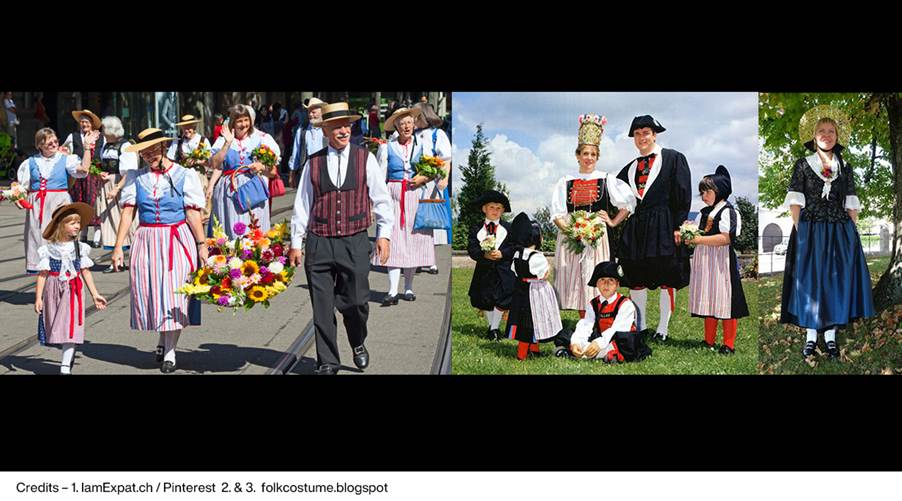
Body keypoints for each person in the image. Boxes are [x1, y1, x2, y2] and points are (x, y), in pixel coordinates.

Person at [288, 102, 394, 375]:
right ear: (325, 131)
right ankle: (327, 361)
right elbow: (302, 205)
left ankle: (357, 341)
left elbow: (381, 200)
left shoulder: (365, 158)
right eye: (336, 126)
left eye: (347, 125)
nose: (343, 130)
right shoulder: (313, 163)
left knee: (357, 301)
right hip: (319, 241)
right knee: (322, 308)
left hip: (354, 240)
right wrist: (295, 243)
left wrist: (384, 235)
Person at [781, 105, 875, 358]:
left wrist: (851, 235)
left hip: (839, 232)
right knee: (810, 282)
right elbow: (795, 202)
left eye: (831, 130)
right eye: (821, 131)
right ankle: (812, 336)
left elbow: (851, 202)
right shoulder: (803, 165)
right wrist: (802, 232)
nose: (826, 134)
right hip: (810, 231)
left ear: (837, 135)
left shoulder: (846, 167)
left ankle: (831, 336)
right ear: (813, 136)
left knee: (835, 280)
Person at [111, 128, 208, 373]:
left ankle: (170, 353)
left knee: (174, 293)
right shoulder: (136, 177)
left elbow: (193, 213)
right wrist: (118, 247)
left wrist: (202, 245)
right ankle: (163, 341)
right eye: (144, 152)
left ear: (163, 148)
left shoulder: (184, 175)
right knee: (154, 293)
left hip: (176, 239)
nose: (149, 155)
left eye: (153, 150)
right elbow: (127, 212)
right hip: (146, 239)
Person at [616, 115, 692, 342]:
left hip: (664, 225)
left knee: (666, 276)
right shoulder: (627, 169)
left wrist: (679, 226)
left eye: (645, 133)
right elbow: (619, 202)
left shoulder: (674, 159)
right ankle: (641, 325)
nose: (641, 138)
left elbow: (683, 194)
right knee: (636, 276)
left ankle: (663, 329)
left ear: (654, 134)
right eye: (637, 134)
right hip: (637, 227)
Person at [552, 114, 633, 317]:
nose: (588, 158)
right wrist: (572, 231)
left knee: (595, 275)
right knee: (574, 279)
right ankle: (584, 321)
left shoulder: (606, 179)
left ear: (597, 157)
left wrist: (613, 222)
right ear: (577, 155)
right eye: (585, 153)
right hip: (571, 236)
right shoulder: (565, 180)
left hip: (597, 235)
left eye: (593, 154)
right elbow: (557, 213)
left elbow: (627, 203)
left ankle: (600, 318)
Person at [34, 203, 108, 374]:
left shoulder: (79, 248)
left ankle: (65, 365)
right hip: (53, 289)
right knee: (55, 325)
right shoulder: (48, 249)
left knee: (70, 326)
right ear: (62, 225)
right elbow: (43, 274)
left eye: (78, 223)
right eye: (72, 223)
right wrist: (39, 298)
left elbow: (86, 272)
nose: (77, 226)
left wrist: (95, 294)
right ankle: (69, 353)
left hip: (73, 290)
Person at [374, 107, 435, 306]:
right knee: (394, 239)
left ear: (414, 124)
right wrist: (377, 203)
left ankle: (408, 287)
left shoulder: (423, 146)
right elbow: (379, 178)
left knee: (413, 241)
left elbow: (435, 170)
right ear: (397, 127)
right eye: (402, 124)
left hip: (415, 196)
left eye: (409, 122)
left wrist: (422, 178)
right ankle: (392, 290)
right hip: (393, 195)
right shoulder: (386, 148)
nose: (406, 126)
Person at [685, 165, 749, 354]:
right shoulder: (704, 213)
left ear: (719, 191)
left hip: (721, 262)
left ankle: (728, 344)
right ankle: (708, 340)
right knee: (709, 297)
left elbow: (726, 238)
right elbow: (696, 232)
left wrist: (699, 239)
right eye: (702, 192)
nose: (703, 196)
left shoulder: (728, 212)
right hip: (705, 261)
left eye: (707, 191)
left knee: (724, 299)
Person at [16, 128, 92, 273]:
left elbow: (83, 170)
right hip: (38, 206)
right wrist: (18, 198)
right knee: (38, 239)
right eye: (48, 142)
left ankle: (65, 275)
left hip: (59, 204)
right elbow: (22, 188)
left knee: (62, 238)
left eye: (55, 141)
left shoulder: (65, 159)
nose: (53, 144)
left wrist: (87, 148)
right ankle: (43, 283)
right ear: (39, 145)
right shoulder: (30, 162)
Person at [207, 104, 281, 239]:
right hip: (229, 191)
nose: (243, 124)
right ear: (233, 123)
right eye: (239, 121)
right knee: (231, 230)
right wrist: (227, 143)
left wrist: (262, 167)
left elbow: (273, 172)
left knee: (255, 229)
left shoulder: (261, 139)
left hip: (253, 190)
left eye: (246, 120)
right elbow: (214, 163)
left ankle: (257, 256)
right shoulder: (223, 140)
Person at [504, 212, 563, 360]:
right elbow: (543, 274)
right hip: (536, 292)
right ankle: (522, 354)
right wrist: (548, 268)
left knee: (525, 322)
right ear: (537, 237)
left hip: (521, 291)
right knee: (534, 321)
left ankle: (533, 350)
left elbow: (514, 270)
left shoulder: (517, 255)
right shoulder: (537, 257)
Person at [560, 261, 639, 362]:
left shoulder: (625, 304)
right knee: (567, 334)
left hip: (618, 337)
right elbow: (587, 325)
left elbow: (617, 328)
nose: (606, 284)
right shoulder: (593, 304)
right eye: (602, 280)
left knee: (625, 341)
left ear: (618, 284)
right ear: (597, 284)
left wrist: (599, 343)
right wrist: (577, 342)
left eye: (611, 280)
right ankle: (580, 350)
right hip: (600, 336)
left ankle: (606, 353)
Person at [467, 190, 516, 341]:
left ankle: (494, 327)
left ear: (503, 210)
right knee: (486, 299)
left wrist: (503, 253)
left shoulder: (508, 228)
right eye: (491, 208)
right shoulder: (476, 229)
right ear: (484, 209)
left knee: (503, 298)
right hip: (485, 270)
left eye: (499, 208)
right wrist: (484, 255)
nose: (495, 211)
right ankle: (492, 327)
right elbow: (472, 248)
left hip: (504, 271)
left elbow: (515, 247)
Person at [95, 116, 139, 270]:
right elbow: (103, 164)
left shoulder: (125, 146)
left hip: (121, 187)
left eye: (104, 130)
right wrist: (101, 173)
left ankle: (130, 257)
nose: (102, 133)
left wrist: (116, 188)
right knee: (109, 222)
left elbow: (129, 172)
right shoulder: (106, 145)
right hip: (107, 185)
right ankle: (116, 260)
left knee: (123, 219)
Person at [413, 102, 453, 273]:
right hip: (415, 181)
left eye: (416, 116)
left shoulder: (438, 134)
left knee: (431, 220)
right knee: (415, 220)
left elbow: (446, 159)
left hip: (432, 182)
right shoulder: (412, 134)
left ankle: (431, 259)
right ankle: (417, 257)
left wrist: (445, 178)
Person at [63, 109, 104, 246]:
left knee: (94, 203)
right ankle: (84, 234)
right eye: (81, 121)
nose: (83, 124)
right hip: (78, 175)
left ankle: (98, 234)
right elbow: (64, 151)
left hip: (94, 175)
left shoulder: (100, 137)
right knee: (80, 202)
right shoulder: (73, 136)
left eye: (86, 121)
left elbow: (103, 155)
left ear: (92, 123)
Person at [168, 114, 213, 222]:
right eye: (184, 127)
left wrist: (198, 161)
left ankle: (203, 231)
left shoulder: (203, 140)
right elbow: (170, 160)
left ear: (194, 127)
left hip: (199, 176)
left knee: (201, 204)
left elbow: (211, 162)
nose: (186, 130)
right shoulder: (177, 141)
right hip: (182, 176)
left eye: (189, 127)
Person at [288, 98, 328, 189]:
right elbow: (296, 153)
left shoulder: (328, 128)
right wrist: (292, 174)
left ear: (322, 112)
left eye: (313, 112)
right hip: (307, 173)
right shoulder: (302, 129)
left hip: (326, 172)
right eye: (309, 112)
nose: (310, 115)